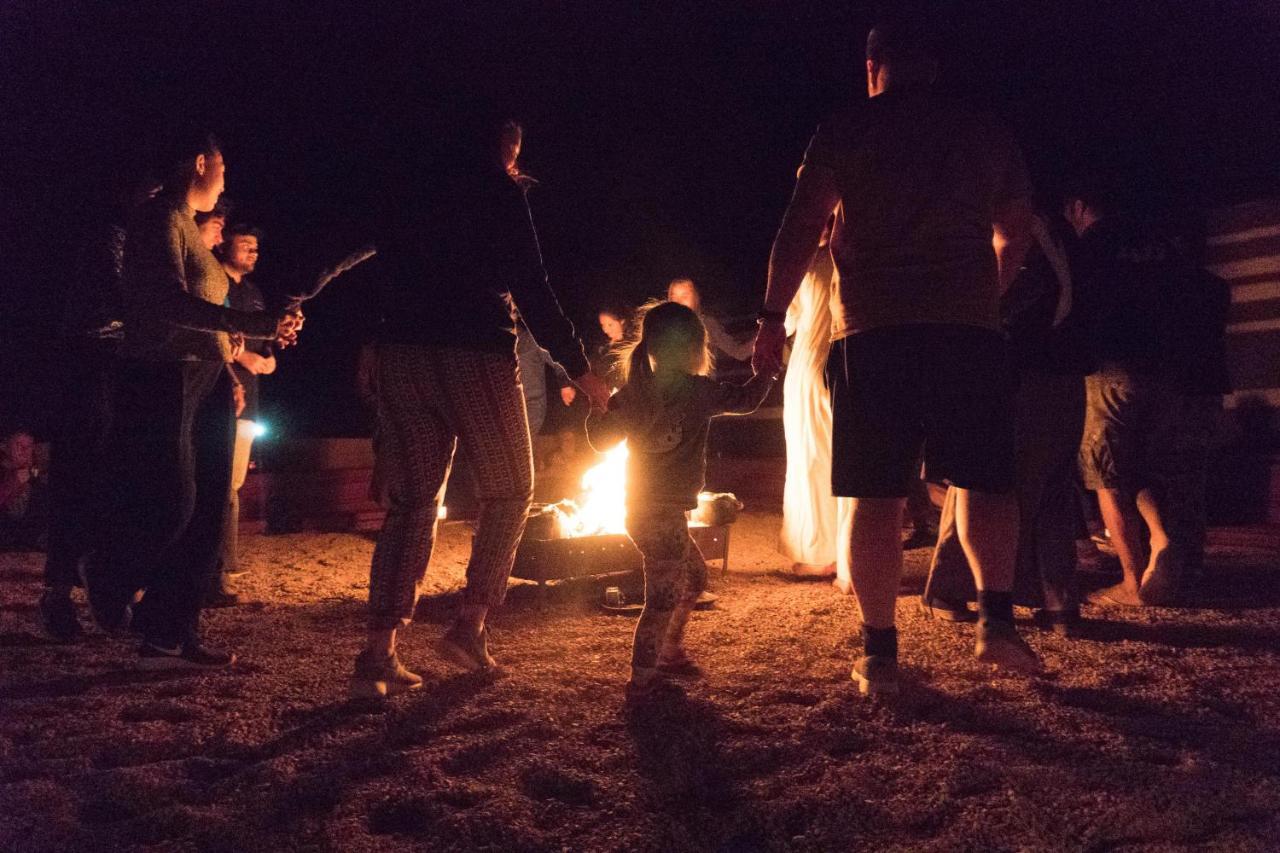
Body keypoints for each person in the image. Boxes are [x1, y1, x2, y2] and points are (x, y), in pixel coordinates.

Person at [753, 20, 1039, 695]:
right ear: (932, 66)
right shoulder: (983, 129)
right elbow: (1016, 228)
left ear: (873, 65)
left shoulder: (846, 128)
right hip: (966, 330)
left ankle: (880, 652)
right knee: (983, 480)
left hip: (875, 330)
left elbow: (800, 224)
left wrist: (770, 317)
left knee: (875, 494)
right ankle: (995, 623)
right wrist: (983, 289)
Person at [347, 113, 611, 699]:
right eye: (514, 148)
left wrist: (370, 336)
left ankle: (377, 652)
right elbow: (532, 286)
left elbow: (371, 264)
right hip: (474, 355)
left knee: (413, 503)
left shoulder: (408, 190)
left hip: (404, 354)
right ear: (503, 146)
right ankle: (469, 625)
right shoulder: (497, 192)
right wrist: (581, 368)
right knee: (513, 487)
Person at [83, 130, 302, 668]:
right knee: (175, 502)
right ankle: (108, 570)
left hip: (204, 376)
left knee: (209, 512)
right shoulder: (158, 217)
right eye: (222, 166)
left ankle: (169, 634)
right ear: (200, 163)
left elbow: (205, 313)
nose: (226, 177)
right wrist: (247, 322)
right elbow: (167, 305)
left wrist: (250, 339)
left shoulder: (187, 229)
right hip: (163, 374)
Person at [585, 301, 774, 699]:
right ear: (695, 348)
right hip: (661, 515)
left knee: (695, 579)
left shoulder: (631, 394)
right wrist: (768, 371)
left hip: (643, 512)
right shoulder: (698, 392)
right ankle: (643, 675)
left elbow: (601, 441)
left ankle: (667, 651)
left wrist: (598, 409)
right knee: (662, 599)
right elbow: (746, 401)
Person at [923, 213, 1089, 634]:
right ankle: (1054, 600)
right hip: (1049, 368)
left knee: (990, 482)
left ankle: (960, 589)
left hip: (1024, 369)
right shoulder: (1054, 233)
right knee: (1035, 484)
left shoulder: (1012, 232)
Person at [39, 173, 159, 641]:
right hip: (93, 365)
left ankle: (107, 590)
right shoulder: (112, 238)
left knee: (120, 482)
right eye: (149, 194)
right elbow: (123, 298)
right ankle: (59, 593)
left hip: (123, 365)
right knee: (80, 474)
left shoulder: (143, 242)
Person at [1065, 177, 1190, 607]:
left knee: (1107, 478)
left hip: (1110, 370)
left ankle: (1132, 583)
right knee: (1143, 468)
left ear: (1080, 206)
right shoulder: (1159, 248)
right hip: (1165, 371)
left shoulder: (1089, 249)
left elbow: (1073, 308)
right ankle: (1161, 535)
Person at [778, 218, 853, 582]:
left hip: (810, 365)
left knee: (811, 459)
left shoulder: (809, 264)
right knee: (839, 457)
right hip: (847, 364)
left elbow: (786, 321)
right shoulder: (855, 255)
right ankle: (845, 549)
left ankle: (818, 551)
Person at [208, 223, 276, 607]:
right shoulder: (216, 285)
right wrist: (241, 358)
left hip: (249, 397)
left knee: (232, 485)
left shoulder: (253, 294)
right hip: (222, 390)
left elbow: (263, 342)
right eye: (245, 245)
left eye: (256, 247)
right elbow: (212, 335)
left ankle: (224, 563)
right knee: (221, 486)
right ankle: (216, 568)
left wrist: (269, 356)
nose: (253, 252)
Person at [667, 278, 754, 363]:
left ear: (695, 298)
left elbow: (739, 352)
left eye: (684, 296)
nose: (679, 302)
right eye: (674, 297)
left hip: (701, 377)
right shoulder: (664, 328)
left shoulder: (708, 325)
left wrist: (764, 335)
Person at [1, 430, 48, 550]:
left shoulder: (39, 487)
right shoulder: (4, 476)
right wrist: (13, 484)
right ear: (7, 448)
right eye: (19, 445)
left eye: (29, 446)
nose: (25, 450)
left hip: (30, 551)